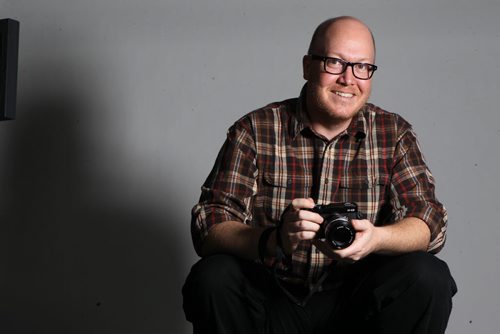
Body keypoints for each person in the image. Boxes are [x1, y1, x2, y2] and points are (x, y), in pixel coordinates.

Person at [183, 16, 457, 334]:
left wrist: (376, 239)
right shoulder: (256, 130)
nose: (348, 79)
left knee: (427, 274)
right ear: (307, 66)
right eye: (334, 62)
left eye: (362, 67)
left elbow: (430, 224)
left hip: (356, 304)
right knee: (213, 275)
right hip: (273, 299)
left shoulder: (393, 132)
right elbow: (209, 226)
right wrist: (275, 239)